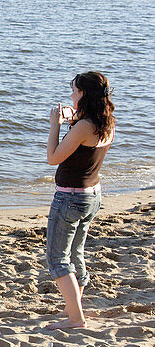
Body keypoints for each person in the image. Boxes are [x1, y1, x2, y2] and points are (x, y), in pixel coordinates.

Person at [45, 71, 115, 330]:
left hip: (70, 197)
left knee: (57, 258)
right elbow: (85, 132)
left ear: (84, 93)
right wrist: (71, 118)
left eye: (74, 91)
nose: (72, 95)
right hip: (91, 195)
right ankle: (73, 308)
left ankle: (76, 317)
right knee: (75, 253)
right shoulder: (104, 121)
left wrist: (55, 125)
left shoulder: (84, 126)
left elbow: (53, 157)